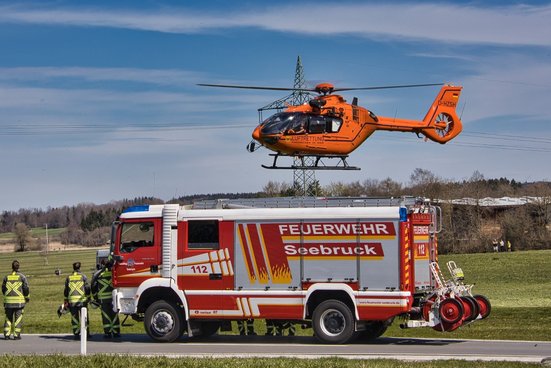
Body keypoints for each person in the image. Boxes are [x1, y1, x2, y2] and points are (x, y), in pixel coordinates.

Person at [91, 259, 120, 339]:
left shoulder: (99, 274)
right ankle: (116, 332)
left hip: (103, 298)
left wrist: (95, 297)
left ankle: (108, 333)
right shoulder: (113, 273)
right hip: (113, 297)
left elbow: (93, 286)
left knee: (106, 316)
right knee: (114, 315)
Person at [2, 260, 29, 340]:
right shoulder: (22, 277)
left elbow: (3, 289)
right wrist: (27, 297)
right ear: (18, 267)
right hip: (19, 302)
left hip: (8, 302)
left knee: (8, 318)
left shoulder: (6, 277)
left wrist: (7, 296)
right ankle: (16, 335)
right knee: (18, 318)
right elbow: (26, 288)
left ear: (12, 267)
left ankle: (7, 335)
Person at [64, 262, 91, 339]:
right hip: (82, 301)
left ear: (73, 268)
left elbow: (66, 290)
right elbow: (87, 288)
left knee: (74, 318)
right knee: (84, 317)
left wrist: (65, 300)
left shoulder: (68, 277)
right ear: (80, 267)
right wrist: (88, 297)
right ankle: (86, 333)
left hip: (72, 301)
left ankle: (76, 334)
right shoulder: (83, 276)